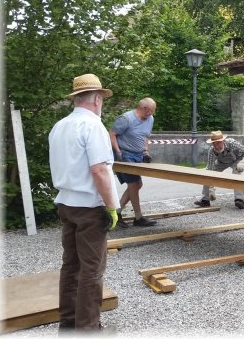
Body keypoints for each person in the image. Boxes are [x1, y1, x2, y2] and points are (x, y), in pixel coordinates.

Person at [48, 73, 119, 331]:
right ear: (98, 99)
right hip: (90, 207)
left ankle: (68, 324)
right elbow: (99, 170)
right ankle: (88, 329)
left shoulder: (60, 126)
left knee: (70, 266)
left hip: (66, 204)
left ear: (76, 99)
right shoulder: (93, 126)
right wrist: (111, 206)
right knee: (92, 270)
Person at [109, 97, 158, 228]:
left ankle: (117, 213)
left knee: (137, 185)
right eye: (151, 111)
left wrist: (146, 152)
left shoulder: (150, 119)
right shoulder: (126, 119)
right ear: (144, 108)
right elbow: (112, 134)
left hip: (138, 155)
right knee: (134, 184)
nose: (152, 114)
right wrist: (118, 152)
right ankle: (138, 217)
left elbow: (145, 137)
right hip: (125, 154)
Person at [194, 131, 244, 209]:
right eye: (214, 143)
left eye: (218, 143)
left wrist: (243, 161)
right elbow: (210, 169)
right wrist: (211, 188)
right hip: (222, 162)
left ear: (223, 141)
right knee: (207, 174)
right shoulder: (212, 151)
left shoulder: (232, 143)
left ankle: (239, 200)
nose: (216, 146)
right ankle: (205, 200)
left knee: (237, 175)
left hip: (237, 160)